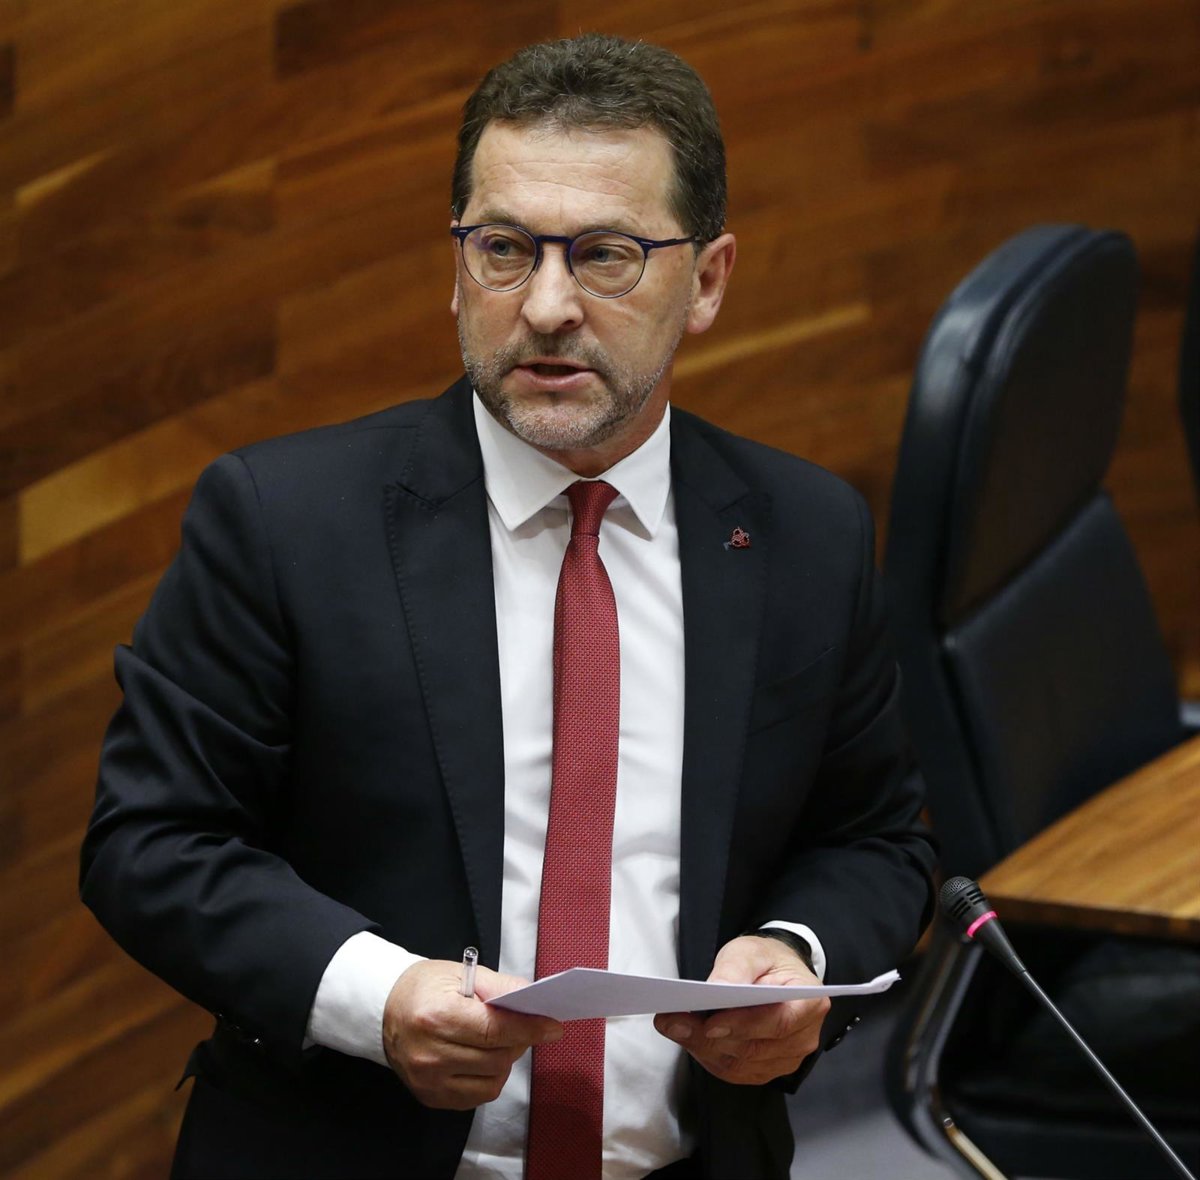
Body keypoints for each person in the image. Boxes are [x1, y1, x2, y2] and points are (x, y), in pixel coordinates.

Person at [80, 33, 935, 1180]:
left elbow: (874, 838)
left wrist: (797, 955)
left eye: (606, 255)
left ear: (708, 281)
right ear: (456, 267)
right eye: (504, 249)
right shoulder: (283, 521)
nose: (545, 305)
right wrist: (380, 995)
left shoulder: (805, 535)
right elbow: (150, 842)